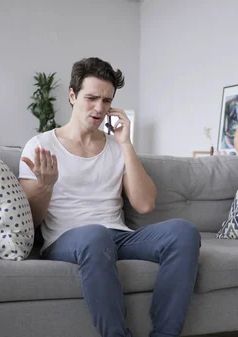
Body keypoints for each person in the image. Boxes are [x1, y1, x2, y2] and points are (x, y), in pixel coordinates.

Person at [18, 57, 201, 337]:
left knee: (184, 232)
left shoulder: (116, 147)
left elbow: (145, 204)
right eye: (91, 98)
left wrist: (125, 143)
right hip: (68, 239)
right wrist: (46, 186)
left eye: (107, 101)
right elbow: (31, 221)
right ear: (72, 95)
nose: (99, 108)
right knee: (95, 235)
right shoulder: (41, 145)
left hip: (116, 236)